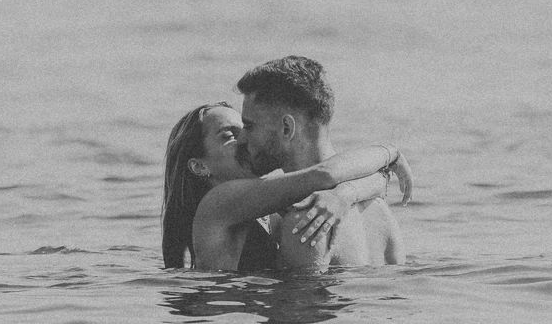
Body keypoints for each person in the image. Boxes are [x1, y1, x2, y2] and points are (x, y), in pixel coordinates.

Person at [162, 101, 410, 273]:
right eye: (228, 135)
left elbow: (370, 181)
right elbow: (325, 175)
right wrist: (390, 153)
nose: (245, 140)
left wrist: (345, 194)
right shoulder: (218, 203)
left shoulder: (270, 202)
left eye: (246, 129)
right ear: (198, 166)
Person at [237, 55, 406, 268]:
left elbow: (301, 302)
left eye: (249, 126)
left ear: (287, 129)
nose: (241, 138)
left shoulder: (308, 219)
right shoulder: (379, 210)